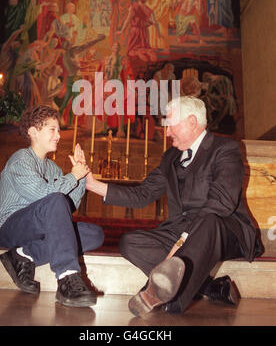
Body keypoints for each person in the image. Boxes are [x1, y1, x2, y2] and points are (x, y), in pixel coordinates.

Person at [85, 96, 261, 316]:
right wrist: (92, 184)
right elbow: (142, 194)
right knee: (130, 242)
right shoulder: (170, 157)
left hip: (224, 230)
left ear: (192, 122)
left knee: (208, 221)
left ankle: (172, 300)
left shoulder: (224, 149)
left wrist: (183, 239)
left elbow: (221, 203)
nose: (166, 132)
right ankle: (209, 287)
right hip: (183, 231)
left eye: (170, 124)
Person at [0, 105, 104, 308]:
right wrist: (73, 176)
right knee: (54, 200)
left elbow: (68, 206)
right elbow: (44, 196)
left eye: (58, 130)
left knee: (94, 234)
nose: (58, 135)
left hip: (35, 231)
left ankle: (24, 255)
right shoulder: (20, 160)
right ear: (33, 132)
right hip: (8, 227)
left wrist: (82, 178)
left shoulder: (52, 168)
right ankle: (67, 278)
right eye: (52, 129)